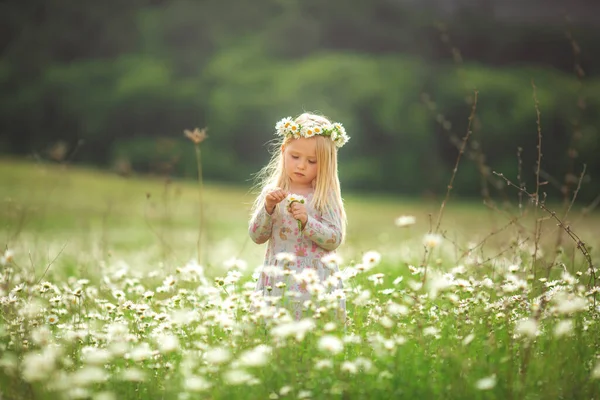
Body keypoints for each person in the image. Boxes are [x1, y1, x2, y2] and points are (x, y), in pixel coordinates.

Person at [248, 112, 349, 321]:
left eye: (312, 161)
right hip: (277, 283)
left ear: (326, 163)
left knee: (313, 339)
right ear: (284, 151)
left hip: (315, 286)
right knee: (274, 337)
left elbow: (334, 239)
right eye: (295, 157)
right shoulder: (273, 192)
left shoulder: (324, 196)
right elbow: (257, 236)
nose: (301, 165)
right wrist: (267, 208)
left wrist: (307, 221)